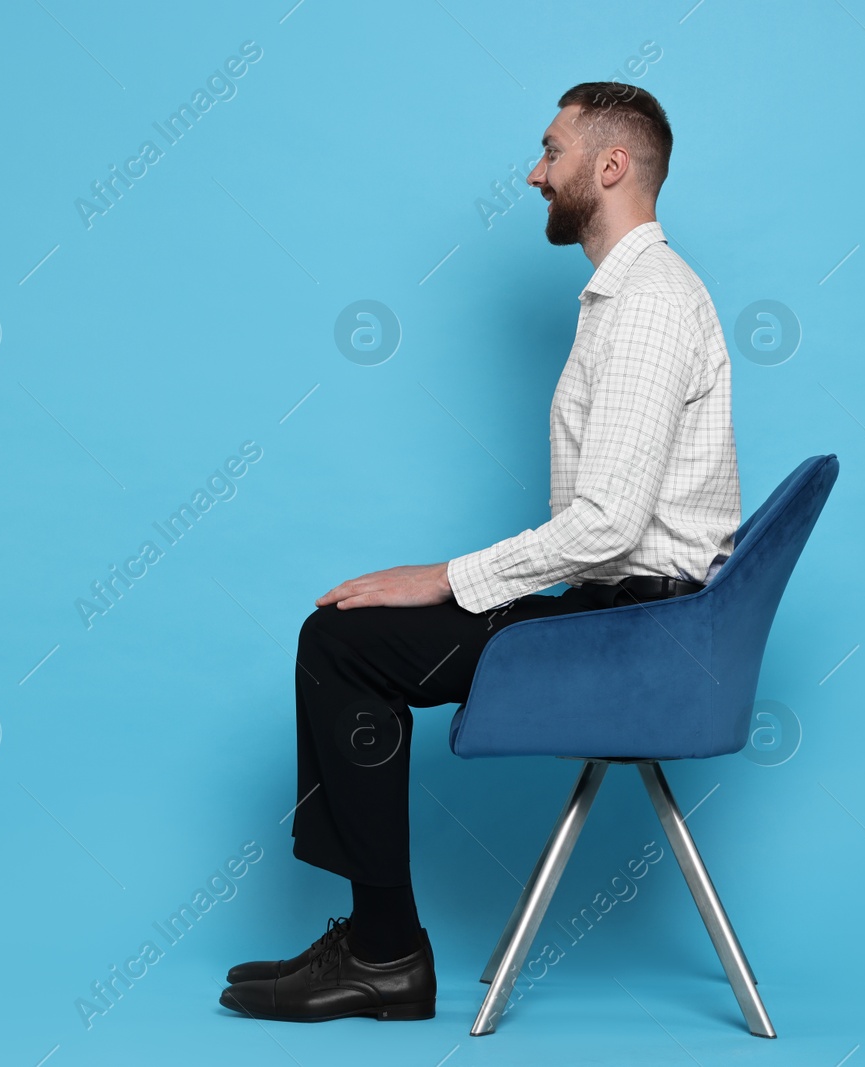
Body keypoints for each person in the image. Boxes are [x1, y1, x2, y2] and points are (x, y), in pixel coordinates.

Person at [219, 80, 741, 1023]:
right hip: (632, 615)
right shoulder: (629, 296)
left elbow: (609, 527)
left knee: (341, 644)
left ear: (610, 165)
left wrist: (444, 579)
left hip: (642, 633)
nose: (536, 173)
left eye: (552, 151)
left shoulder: (648, 304)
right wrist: (458, 590)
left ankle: (383, 952)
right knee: (345, 631)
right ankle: (379, 945)